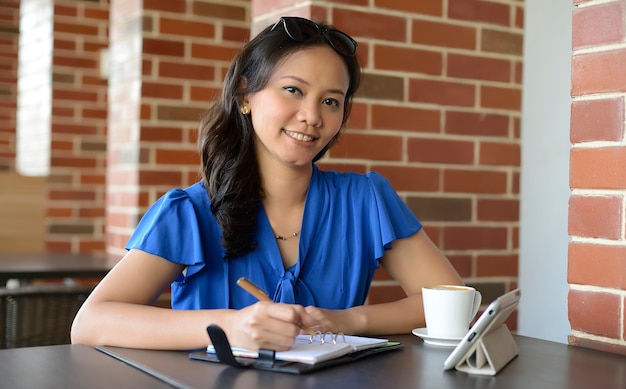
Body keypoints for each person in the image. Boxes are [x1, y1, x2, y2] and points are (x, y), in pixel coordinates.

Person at [71, 16, 462, 351]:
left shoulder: (366, 199)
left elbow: (453, 303)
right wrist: (232, 327)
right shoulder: (188, 212)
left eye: (331, 101)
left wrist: (348, 321)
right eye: (293, 90)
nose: (311, 115)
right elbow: (90, 324)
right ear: (245, 95)